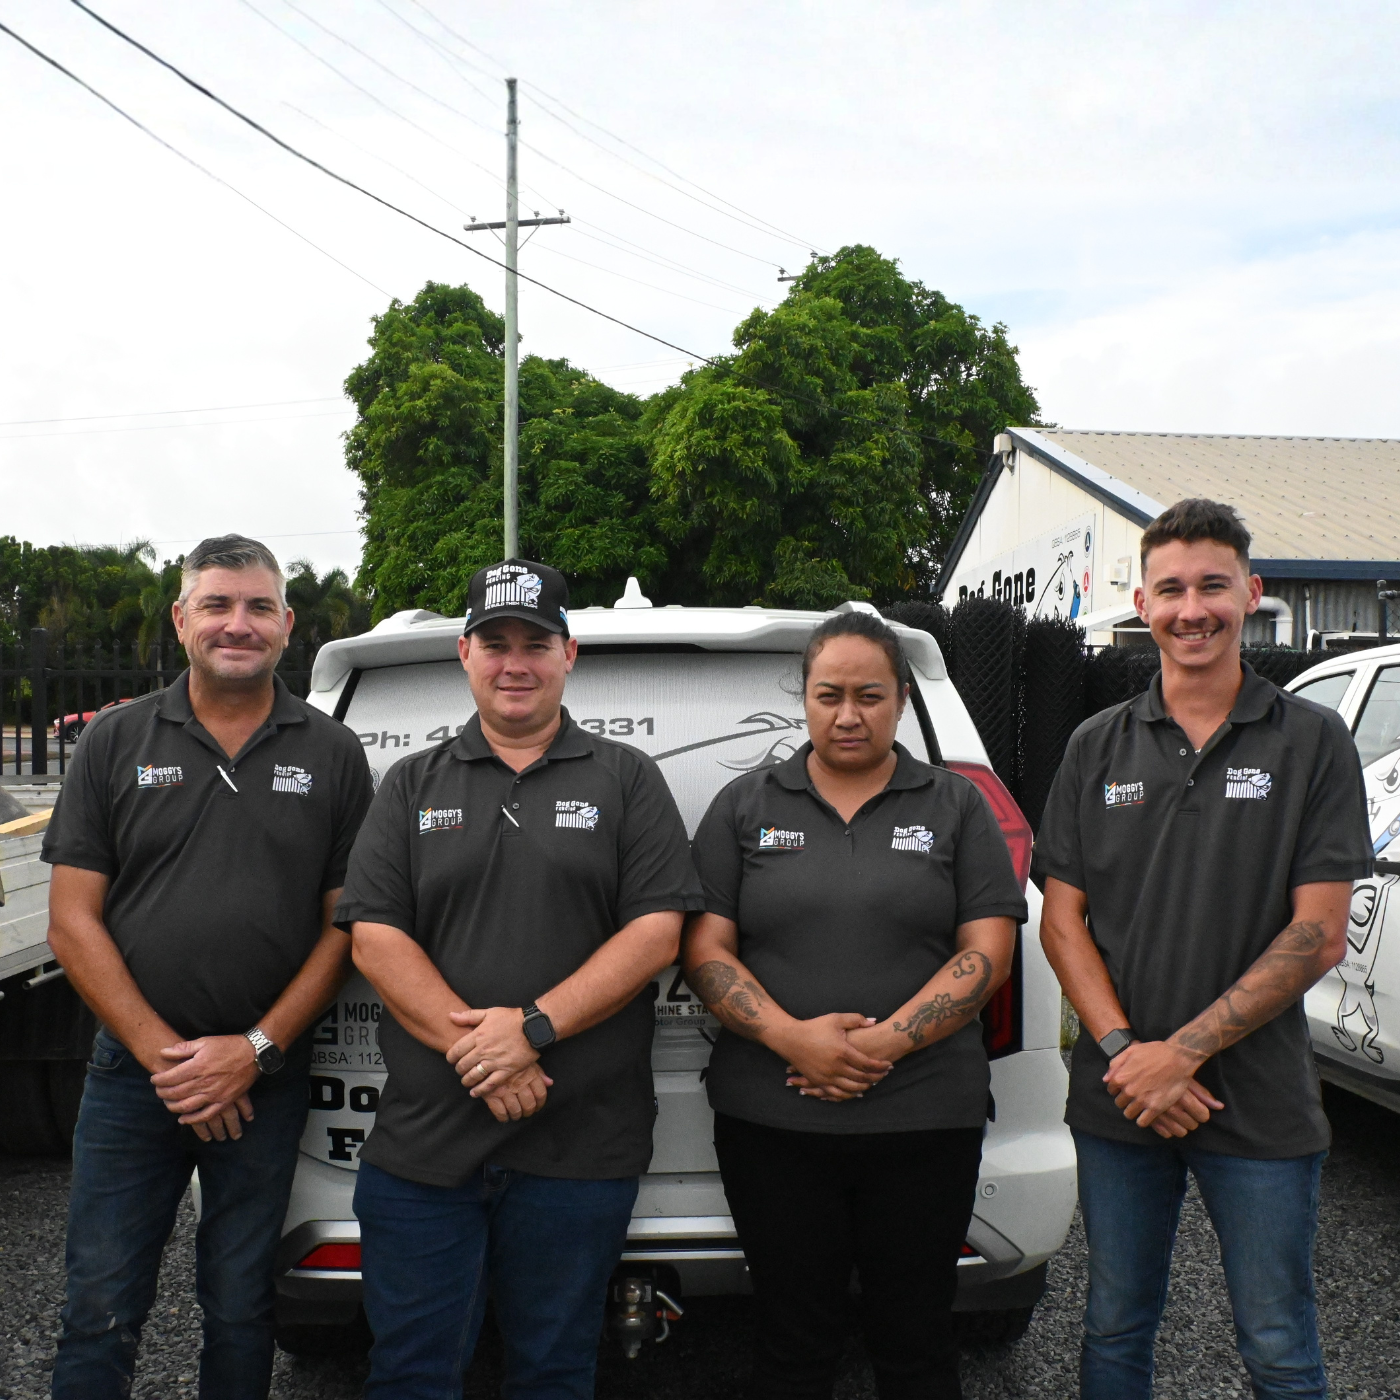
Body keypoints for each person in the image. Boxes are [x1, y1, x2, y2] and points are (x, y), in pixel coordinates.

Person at [334, 558, 704, 1400]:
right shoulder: (411, 783)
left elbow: (656, 933)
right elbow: (376, 939)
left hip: (578, 1148)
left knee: (554, 1373)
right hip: (427, 1147)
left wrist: (531, 1029)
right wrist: (489, 1056)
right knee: (410, 1374)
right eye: (495, 643)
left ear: (568, 654)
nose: (515, 663)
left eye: (535, 644)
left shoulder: (626, 778)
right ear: (464, 654)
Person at [1035, 498, 1372, 1400]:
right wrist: (1126, 1054)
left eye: (1213, 586)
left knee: (1278, 1344)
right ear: (1141, 603)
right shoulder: (1095, 746)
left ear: (1252, 594)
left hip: (1258, 1100)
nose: (1193, 609)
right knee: (1114, 1327)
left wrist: (1178, 1055)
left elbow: (1318, 933)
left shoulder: (1312, 741)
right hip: (1120, 1100)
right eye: (1173, 589)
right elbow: (1061, 922)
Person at [42, 534, 374, 1400]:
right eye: (217, 604)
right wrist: (175, 1064)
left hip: (267, 1080)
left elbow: (344, 930)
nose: (238, 623)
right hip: (133, 1079)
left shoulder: (333, 753)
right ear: (181, 618)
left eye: (259, 606)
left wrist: (252, 1053)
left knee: (241, 1306)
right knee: (99, 1304)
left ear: (288, 624)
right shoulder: (114, 740)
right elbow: (72, 922)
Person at [683, 610, 1028, 1400]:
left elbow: (988, 953)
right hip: (774, 1124)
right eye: (828, 695)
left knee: (916, 1345)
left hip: (923, 1121)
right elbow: (703, 951)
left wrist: (885, 1045)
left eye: (869, 696)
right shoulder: (743, 805)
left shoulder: (956, 805)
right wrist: (792, 1039)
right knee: (791, 1346)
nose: (848, 715)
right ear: (802, 697)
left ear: (901, 699)